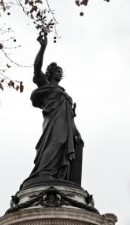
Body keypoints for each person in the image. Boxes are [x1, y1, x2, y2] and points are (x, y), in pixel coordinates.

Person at [22, 32, 84, 188]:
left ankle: (57, 175)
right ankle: (45, 173)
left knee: (63, 145)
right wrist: (42, 48)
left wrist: (77, 132)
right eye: (57, 71)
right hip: (53, 122)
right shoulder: (45, 85)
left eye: (61, 73)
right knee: (55, 142)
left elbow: (70, 117)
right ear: (50, 73)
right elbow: (37, 68)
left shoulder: (64, 93)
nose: (60, 74)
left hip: (66, 125)